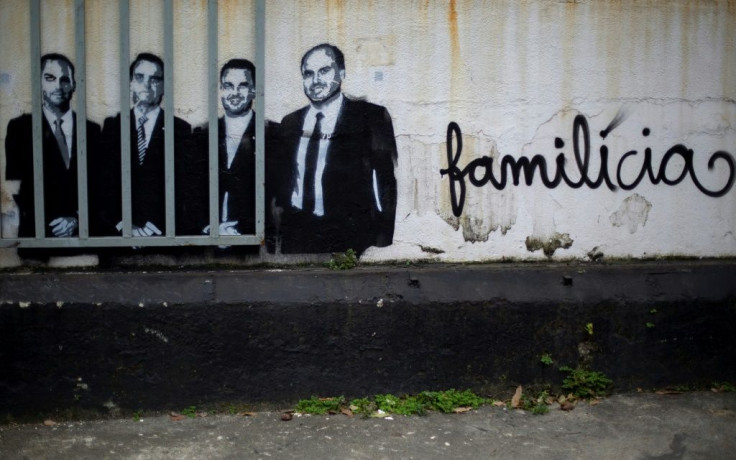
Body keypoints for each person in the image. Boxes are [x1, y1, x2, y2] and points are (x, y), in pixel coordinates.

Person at [275, 43, 398, 255]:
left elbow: (386, 184)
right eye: (308, 74)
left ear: (341, 72)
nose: (316, 80)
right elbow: (282, 184)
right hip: (298, 236)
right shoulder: (290, 123)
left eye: (324, 71)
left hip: (352, 237)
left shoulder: (370, 117)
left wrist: (382, 241)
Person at [5, 53, 102, 240]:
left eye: (65, 80)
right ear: (39, 82)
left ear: (74, 85)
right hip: (37, 237)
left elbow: (100, 186)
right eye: (50, 78)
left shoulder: (92, 130)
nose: (58, 86)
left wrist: (77, 219)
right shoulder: (20, 128)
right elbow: (16, 188)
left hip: (84, 238)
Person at [100, 52, 197, 237]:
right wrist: (124, 226)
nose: (146, 84)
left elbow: (186, 189)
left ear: (163, 86)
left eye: (154, 79)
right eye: (139, 77)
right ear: (130, 83)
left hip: (162, 235)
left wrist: (155, 227)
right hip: (118, 238)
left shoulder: (180, 129)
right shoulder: (113, 127)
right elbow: (104, 186)